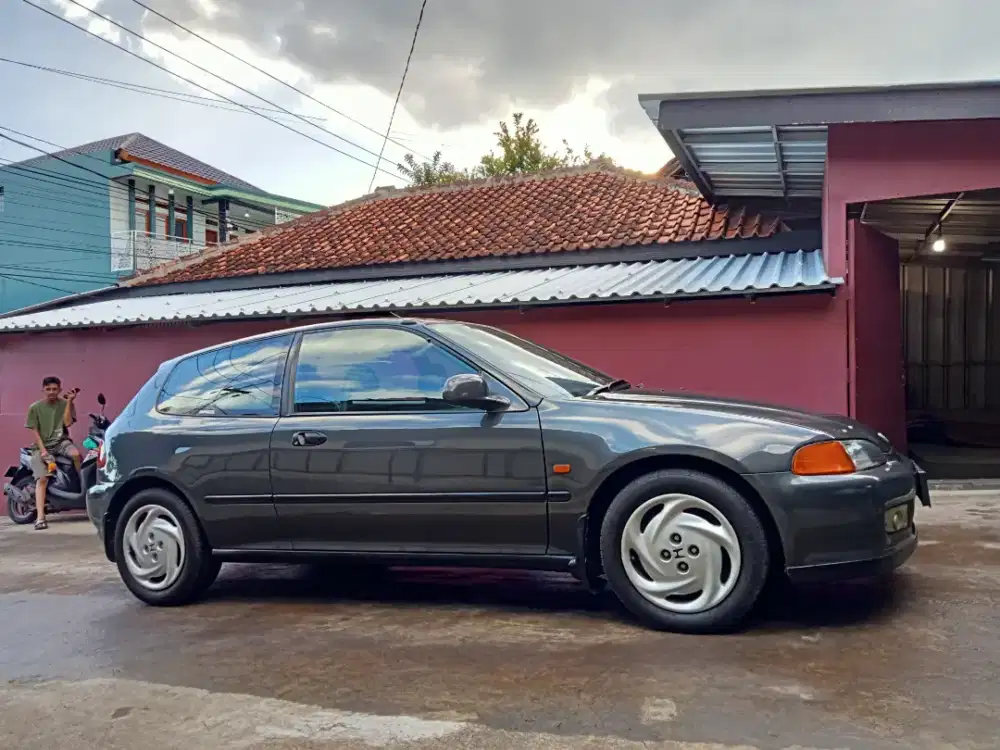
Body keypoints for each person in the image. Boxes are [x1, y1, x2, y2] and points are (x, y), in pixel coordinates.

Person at [24, 376, 80, 530]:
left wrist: (69, 402)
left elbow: (68, 423)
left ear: (60, 390)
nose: (51, 392)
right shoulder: (35, 408)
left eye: (55, 389)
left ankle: (79, 484)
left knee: (76, 455)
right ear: (43, 390)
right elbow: (35, 432)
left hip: (61, 442)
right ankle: (41, 517)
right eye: (48, 389)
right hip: (41, 446)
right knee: (42, 479)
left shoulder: (65, 403)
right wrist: (43, 452)